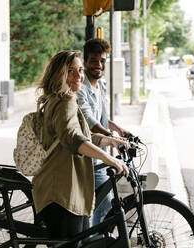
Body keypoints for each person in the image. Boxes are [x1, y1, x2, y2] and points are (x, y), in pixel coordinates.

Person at [32, 50, 129, 245]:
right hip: (62, 192)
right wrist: (109, 159)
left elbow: (80, 135)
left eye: (80, 70)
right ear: (59, 74)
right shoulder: (65, 101)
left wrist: (110, 141)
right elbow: (73, 138)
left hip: (62, 189)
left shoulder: (56, 99)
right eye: (71, 71)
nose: (79, 76)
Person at [76, 38, 130, 227]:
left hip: (101, 154)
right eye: (93, 60)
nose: (98, 65)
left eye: (102, 61)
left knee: (101, 205)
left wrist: (119, 130)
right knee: (103, 205)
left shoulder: (101, 85)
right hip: (89, 156)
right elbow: (90, 121)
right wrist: (112, 138)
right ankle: (97, 240)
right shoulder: (81, 89)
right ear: (85, 62)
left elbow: (102, 117)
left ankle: (97, 239)